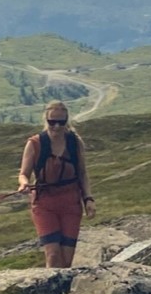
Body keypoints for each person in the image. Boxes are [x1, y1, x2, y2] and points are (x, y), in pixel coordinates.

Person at [16, 101, 96, 268]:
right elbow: (24, 174)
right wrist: (24, 184)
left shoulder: (75, 143)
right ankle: (50, 292)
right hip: (44, 204)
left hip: (71, 203)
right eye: (53, 122)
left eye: (61, 122)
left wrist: (88, 199)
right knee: (53, 255)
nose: (57, 126)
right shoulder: (35, 144)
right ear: (46, 120)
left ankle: (61, 293)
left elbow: (82, 173)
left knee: (66, 260)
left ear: (67, 120)